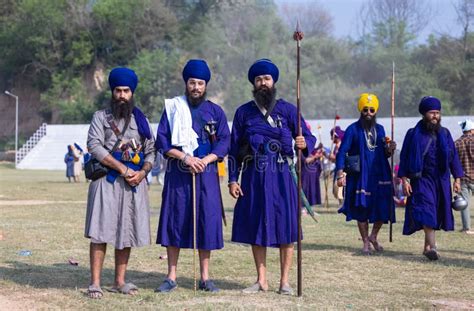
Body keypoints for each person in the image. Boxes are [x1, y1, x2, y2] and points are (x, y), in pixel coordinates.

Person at [228, 59, 316, 295]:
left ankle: (285, 281)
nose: (262, 83)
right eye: (258, 80)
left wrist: (303, 142)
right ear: (254, 84)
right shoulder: (243, 113)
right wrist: (233, 179)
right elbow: (234, 149)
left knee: (286, 227)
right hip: (254, 177)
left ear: (273, 81)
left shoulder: (289, 110)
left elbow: (308, 138)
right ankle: (261, 280)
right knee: (257, 225)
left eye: (266, 79)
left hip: (282, 176)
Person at [155, 59, 230, 293]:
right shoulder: (173, 109)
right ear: (186, 84)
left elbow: (225, 141)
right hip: (179, 173)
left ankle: (206, 277)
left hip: (206, 173)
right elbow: (162, 141)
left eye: (200, 83)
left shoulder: (215, 111)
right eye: (192, 83)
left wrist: (206, 160)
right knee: (175, 221)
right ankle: (171, 276)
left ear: (206, 85)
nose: (196, 87)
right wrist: (186, 158)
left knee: (206, 221)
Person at [85, 67, 155, 298]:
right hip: (106, 181)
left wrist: (143, 172)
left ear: (132, 92)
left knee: (126, 232)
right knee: (100, 232)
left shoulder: (141, 121)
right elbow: (94, 146)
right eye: (118, 90)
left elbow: (151, 151)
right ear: (112, 92)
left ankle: (119, 281)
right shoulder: (100, 117)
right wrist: (122, 168)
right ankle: (95, 283)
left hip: (134, 183)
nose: (122, 95)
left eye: (126, 91)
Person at [398, 96, 463, 260]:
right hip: (421, 179)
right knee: (427, 210)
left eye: (438, 113)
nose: (435, 116)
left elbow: (453, 157)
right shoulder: (413, 134)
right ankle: (433, 247)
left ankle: (427, 247)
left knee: (436, 211)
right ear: (424, 113)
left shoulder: (445, 133)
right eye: (432, 113)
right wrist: (404, 179)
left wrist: (457, 178)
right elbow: (404, 157)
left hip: (441, 179)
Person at [336, 93, 396, 254]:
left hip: (380, 174)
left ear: (375, 111)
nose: (368, 113)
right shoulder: (352, 129)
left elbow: (385, 153)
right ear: (360, 111)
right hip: (360, 175)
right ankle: (365, 242)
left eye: (371, 110)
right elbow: (342, 152)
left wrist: (390, 149)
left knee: (382, 207)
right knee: (362, 209)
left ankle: (373, 236)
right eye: (365, 110)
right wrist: (340, 173)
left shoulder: (381, 129)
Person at [454, 119, 473, 234]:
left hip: (462, 178)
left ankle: (466, 228)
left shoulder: (456, 143)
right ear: (471, 130)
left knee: (464, 204)